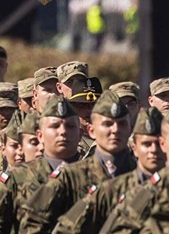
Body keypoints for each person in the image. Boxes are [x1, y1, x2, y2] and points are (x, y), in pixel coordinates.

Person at [20, 90, 136, 232]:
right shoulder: (70, 176)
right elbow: (33, 221)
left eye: (122, 124)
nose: (115, 130)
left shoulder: (144, 176)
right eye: (107, 124)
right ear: (92, 131)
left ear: (131, 130)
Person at [0, 96, 81, 233]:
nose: (63, 132)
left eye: (70, 126)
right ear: (40, 135)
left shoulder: (93, 175)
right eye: (55, 126)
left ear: (80, 134)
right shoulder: (16, 179)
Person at [55, 107, 164, 232]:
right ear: (135, 148)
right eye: (147, 144)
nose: (154, 150)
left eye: (159, 143)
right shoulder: (112, 189)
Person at [69, 77, 102, 158]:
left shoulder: (113, 138)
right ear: (73, 109)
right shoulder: (67, 141)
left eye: (94, 105)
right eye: (82, 105)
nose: (89, 111)